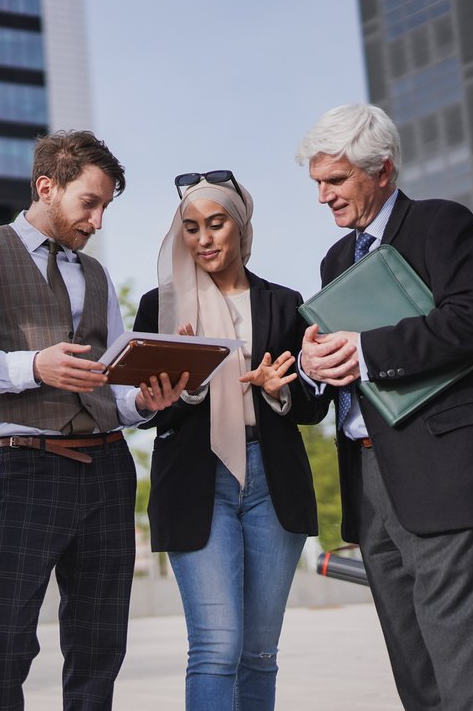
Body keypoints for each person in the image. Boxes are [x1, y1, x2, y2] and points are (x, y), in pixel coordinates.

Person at [0, 130, 186, 710]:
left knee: (100, 648)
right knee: (9, 642)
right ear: (47, 187)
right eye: (88, 203)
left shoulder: (94, 276)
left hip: (110, 470)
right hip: (28, 469)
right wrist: (33, 366)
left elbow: (114, 382)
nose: (97, 221)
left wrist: (144, 403)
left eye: (105, 207)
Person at [295, 102, 473, 710]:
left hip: (447, 475)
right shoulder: (335, 261)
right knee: (417, 680)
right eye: (317, 182)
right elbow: (344, 364)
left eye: (335, 180)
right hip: (370, 486)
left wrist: (366, 351)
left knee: (467, 680)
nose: (322, 196)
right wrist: (316, 368)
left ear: (383, 171)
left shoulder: (441, 225)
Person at [132, 172, 326, 710]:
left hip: (272, 480)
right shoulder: (161, 307)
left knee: (259, 653)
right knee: (217, 648)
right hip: (197, 481)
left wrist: (277, 391)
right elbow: (149, 414)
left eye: (216, 224)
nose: (204, 239)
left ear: (240, 228)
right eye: (191, 228)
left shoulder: (287, 305)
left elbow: (314, 405)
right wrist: (182, 390)